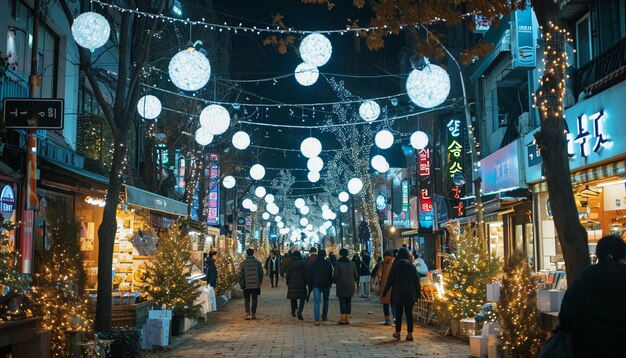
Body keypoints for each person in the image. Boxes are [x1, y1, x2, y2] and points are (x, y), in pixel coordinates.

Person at [558, 235, 626, 357]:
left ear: (598, 256)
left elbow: (566, 322)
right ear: (623, 258)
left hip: (586, 350)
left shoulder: (581, 285)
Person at [384, 247, 420, 341]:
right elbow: (417, 281)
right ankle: (409, 334)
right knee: (409, 314)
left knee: (399, 314)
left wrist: (385, 291)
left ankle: (398, 332)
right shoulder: (412, 266)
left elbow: (390, 280)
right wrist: (418, 295)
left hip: (398, 293)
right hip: (410, 294)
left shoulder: (395, 265)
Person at [306, 249, 333, 325]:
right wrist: (330, 283)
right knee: (326, 301)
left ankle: (316, 320)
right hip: (326, 284)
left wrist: (310, 284)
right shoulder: (328, 263)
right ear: (324, 255)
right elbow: (330, 274)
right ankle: (324, 317)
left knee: (317, 302)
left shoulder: (313, 264)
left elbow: (310, 275)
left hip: (316, 285)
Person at [334, 248, 359, 325]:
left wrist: (334, 281)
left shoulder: (338, 263)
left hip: (341, 284)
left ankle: (342, 319)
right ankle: (347, 319)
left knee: (342, 301)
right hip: (350, 284)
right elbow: (356, 276)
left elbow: (336, 275)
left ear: (340, 254)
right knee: (349, 301)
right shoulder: (352, 264)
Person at [239, 248, 264, 320]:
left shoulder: (243, 263)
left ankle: (247, 314)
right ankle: (253, 314)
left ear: (247, 253)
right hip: (256, 285)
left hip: (246, 285)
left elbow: (240, 274)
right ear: (253, 253)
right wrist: (259, 282)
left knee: (247, 299)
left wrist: (241, 282)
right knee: (255, 299)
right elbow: (261, 274)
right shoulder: (258, 263)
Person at [286, 250, 308, 320]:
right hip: (301, 282)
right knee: (302, 298)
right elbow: (306, 274)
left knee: (293, 297)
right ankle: (300, 311)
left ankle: (293, 310)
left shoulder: (290, 263)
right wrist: (306, 282)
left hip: (292, 282)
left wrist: (287, 282)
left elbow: (288, 274)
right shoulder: (304, 263)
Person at [377, 250, 395, 325]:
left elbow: (379, 275)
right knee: (394, 303)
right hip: (394, 285)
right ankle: (395, 318)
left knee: (386, 304)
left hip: (385, 285)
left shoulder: (382, 264)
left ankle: (387, 320)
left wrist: (380, 282)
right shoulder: (395, 263)